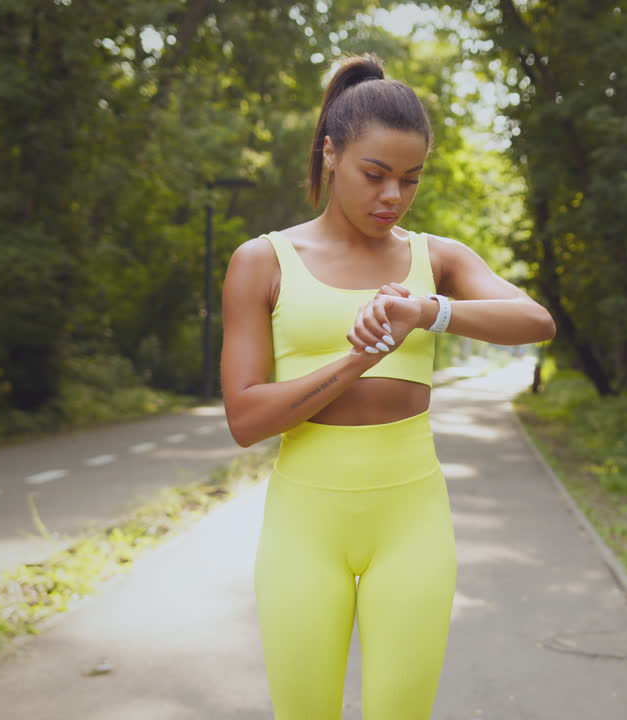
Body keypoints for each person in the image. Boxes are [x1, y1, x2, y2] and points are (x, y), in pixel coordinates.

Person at [219, 53, 556, 720]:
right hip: (303, 525)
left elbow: (535, 320)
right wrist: (359, 358)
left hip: (413, 522)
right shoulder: (264, 261)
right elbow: (245, 418)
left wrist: (429, 310)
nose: (392, 197)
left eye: (410, 180)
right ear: (331, 154)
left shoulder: (436, 259)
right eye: (375, 175)